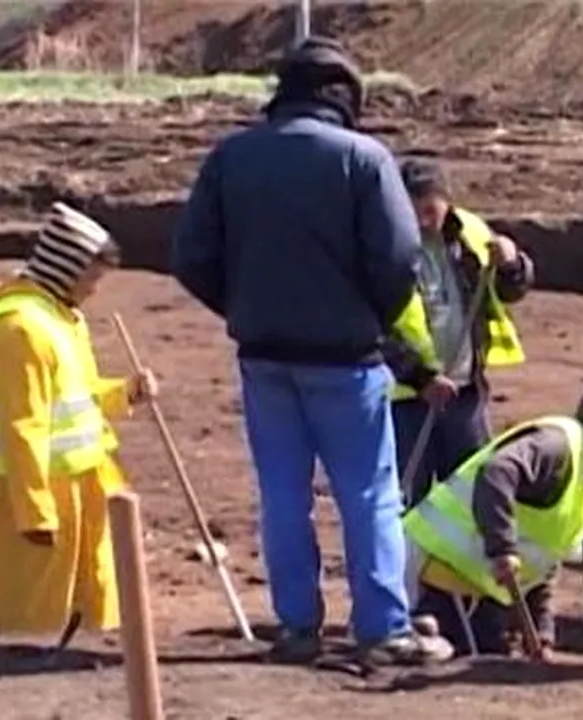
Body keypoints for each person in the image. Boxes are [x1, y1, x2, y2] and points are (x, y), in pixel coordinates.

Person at [170, 37, 452, 666]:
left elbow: (191, 257)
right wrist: (367, 319)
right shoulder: (364, 159)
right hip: (345, 361)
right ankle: (382, 629)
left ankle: (297, 627)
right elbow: (399, 257)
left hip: (264, 358)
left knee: (282, 495)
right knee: (370, 496)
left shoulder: (231, 158)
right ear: (345, 95)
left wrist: (244, 307)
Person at [0, 202, 157, 650]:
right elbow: (24, 426)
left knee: (70, 590)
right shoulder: (22, 330)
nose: (94, 291)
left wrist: (124, 393)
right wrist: (34, 511)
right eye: (91, 279)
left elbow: (73, 396)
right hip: (20, 488)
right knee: (22, 597)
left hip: (75, 482)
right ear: (66, 269)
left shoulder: (60, 319)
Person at [402, 381, 583, 658]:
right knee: (475, 657)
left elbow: (545, 564)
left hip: (476, 586)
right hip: (437, 572)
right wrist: (502, 549)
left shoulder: (580, 481)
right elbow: (497, 471)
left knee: (494, 655)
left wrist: (541, 634)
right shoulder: (554, 446)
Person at [386, 157, 533, 506]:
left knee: (471, 496)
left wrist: (513, 264)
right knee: (407, 500)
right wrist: (421, 378)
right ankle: (405, 561)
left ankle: (465, 560)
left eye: (428, 209)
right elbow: (373, 328)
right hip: (407, 398)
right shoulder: (383, 243)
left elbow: (508, 290)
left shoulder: (471, 233)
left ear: (446, 200)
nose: (421, 220)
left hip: (464, 392)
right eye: (411, 209)